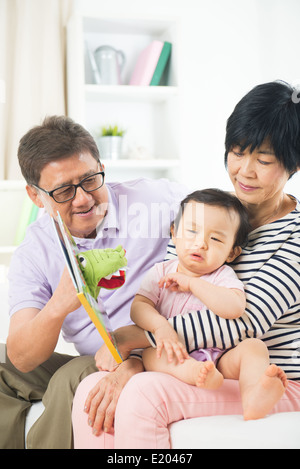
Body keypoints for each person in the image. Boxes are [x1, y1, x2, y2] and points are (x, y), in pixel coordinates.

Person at [72, 80, 300, 449]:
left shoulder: (295, 238)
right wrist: (134, 361)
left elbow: (244, 323)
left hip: (269, 380)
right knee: (90, 391)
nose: (244, 171)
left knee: (145, 395)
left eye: (264, 160)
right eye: (237, 153)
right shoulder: (209, 209)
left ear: (294, 163)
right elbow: (162, 285)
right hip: (199, 363)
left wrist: (135, 340)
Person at [0, 115, 188, 449]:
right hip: (97, 354)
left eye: (90, 180)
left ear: (102, 167)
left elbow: (229, 223)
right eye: (63, 191)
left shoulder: (158, 202)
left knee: (72, 377)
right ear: (35, 195)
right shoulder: (34, 251)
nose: (83, 199)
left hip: (151, 349)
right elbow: (22, 357)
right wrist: (59, 305)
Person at [130, 188, 288, 420]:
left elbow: (234, 308)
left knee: (254, 347)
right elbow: (139, 307)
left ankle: (254, 395)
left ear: (232, 253)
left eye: (215, 239)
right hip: (176, 355)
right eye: (192, 231)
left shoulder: (222, 275)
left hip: (222, 358)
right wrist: (160, 327)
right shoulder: (161, 271)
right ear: (174, 233)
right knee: (150, 355)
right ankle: (195, 372)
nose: (201, 243)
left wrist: (193, 284)